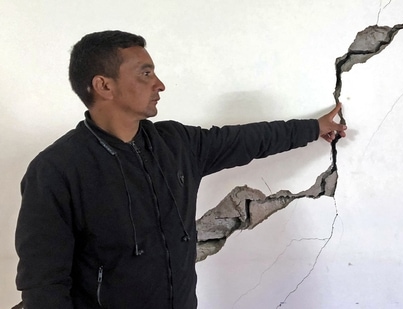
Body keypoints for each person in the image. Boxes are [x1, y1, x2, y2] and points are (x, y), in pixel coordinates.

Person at [15, 30, 347, 309]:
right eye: (145, 73)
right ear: (104, 86)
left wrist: (313, 128)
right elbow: (43, 284)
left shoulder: (175, 144)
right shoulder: (56, 170)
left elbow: (248, 139)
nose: (159, 84)